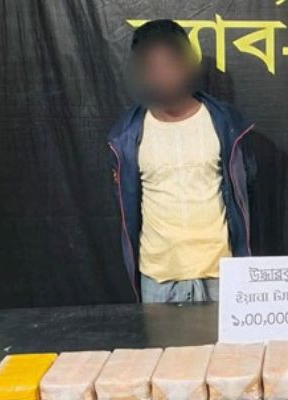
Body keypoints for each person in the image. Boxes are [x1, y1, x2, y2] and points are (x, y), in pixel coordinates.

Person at [107, 19, 256, 303]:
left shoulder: (226, 124)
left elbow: (246, 187)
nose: (162, 75)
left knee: (225, 338)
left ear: (188, 64)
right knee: (160, 337)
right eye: (151, 67)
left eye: (170, 63)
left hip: (221, 274)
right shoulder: (125, 136)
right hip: (158, 279)